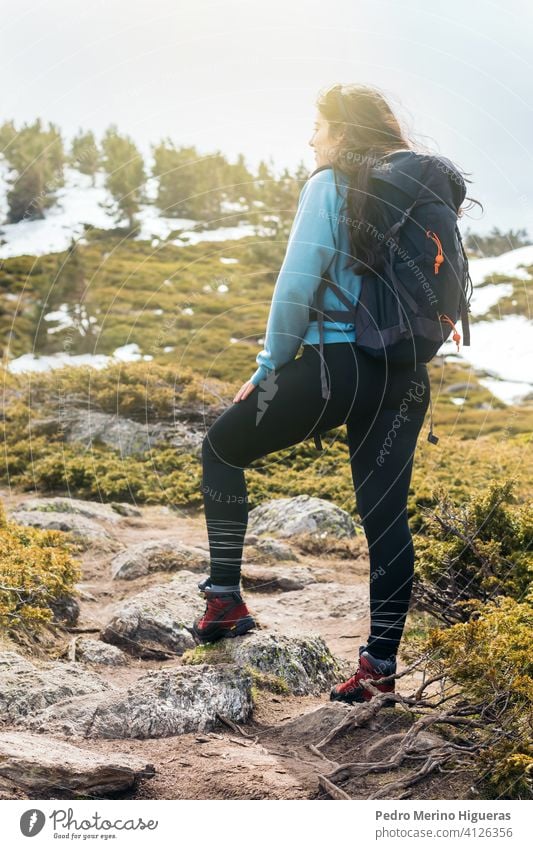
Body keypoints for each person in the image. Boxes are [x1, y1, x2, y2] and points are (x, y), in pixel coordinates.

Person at [194, 83, 437, 705]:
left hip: (337, 367)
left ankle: (223, 600)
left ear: (343, 131)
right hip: (404, 376)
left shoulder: (331, 183)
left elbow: (297, 285)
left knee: (221, 451)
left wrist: (271, 364)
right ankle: (379, 665)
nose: (311, 139)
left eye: (319, 127)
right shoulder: (422, 194)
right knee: (386, 518)